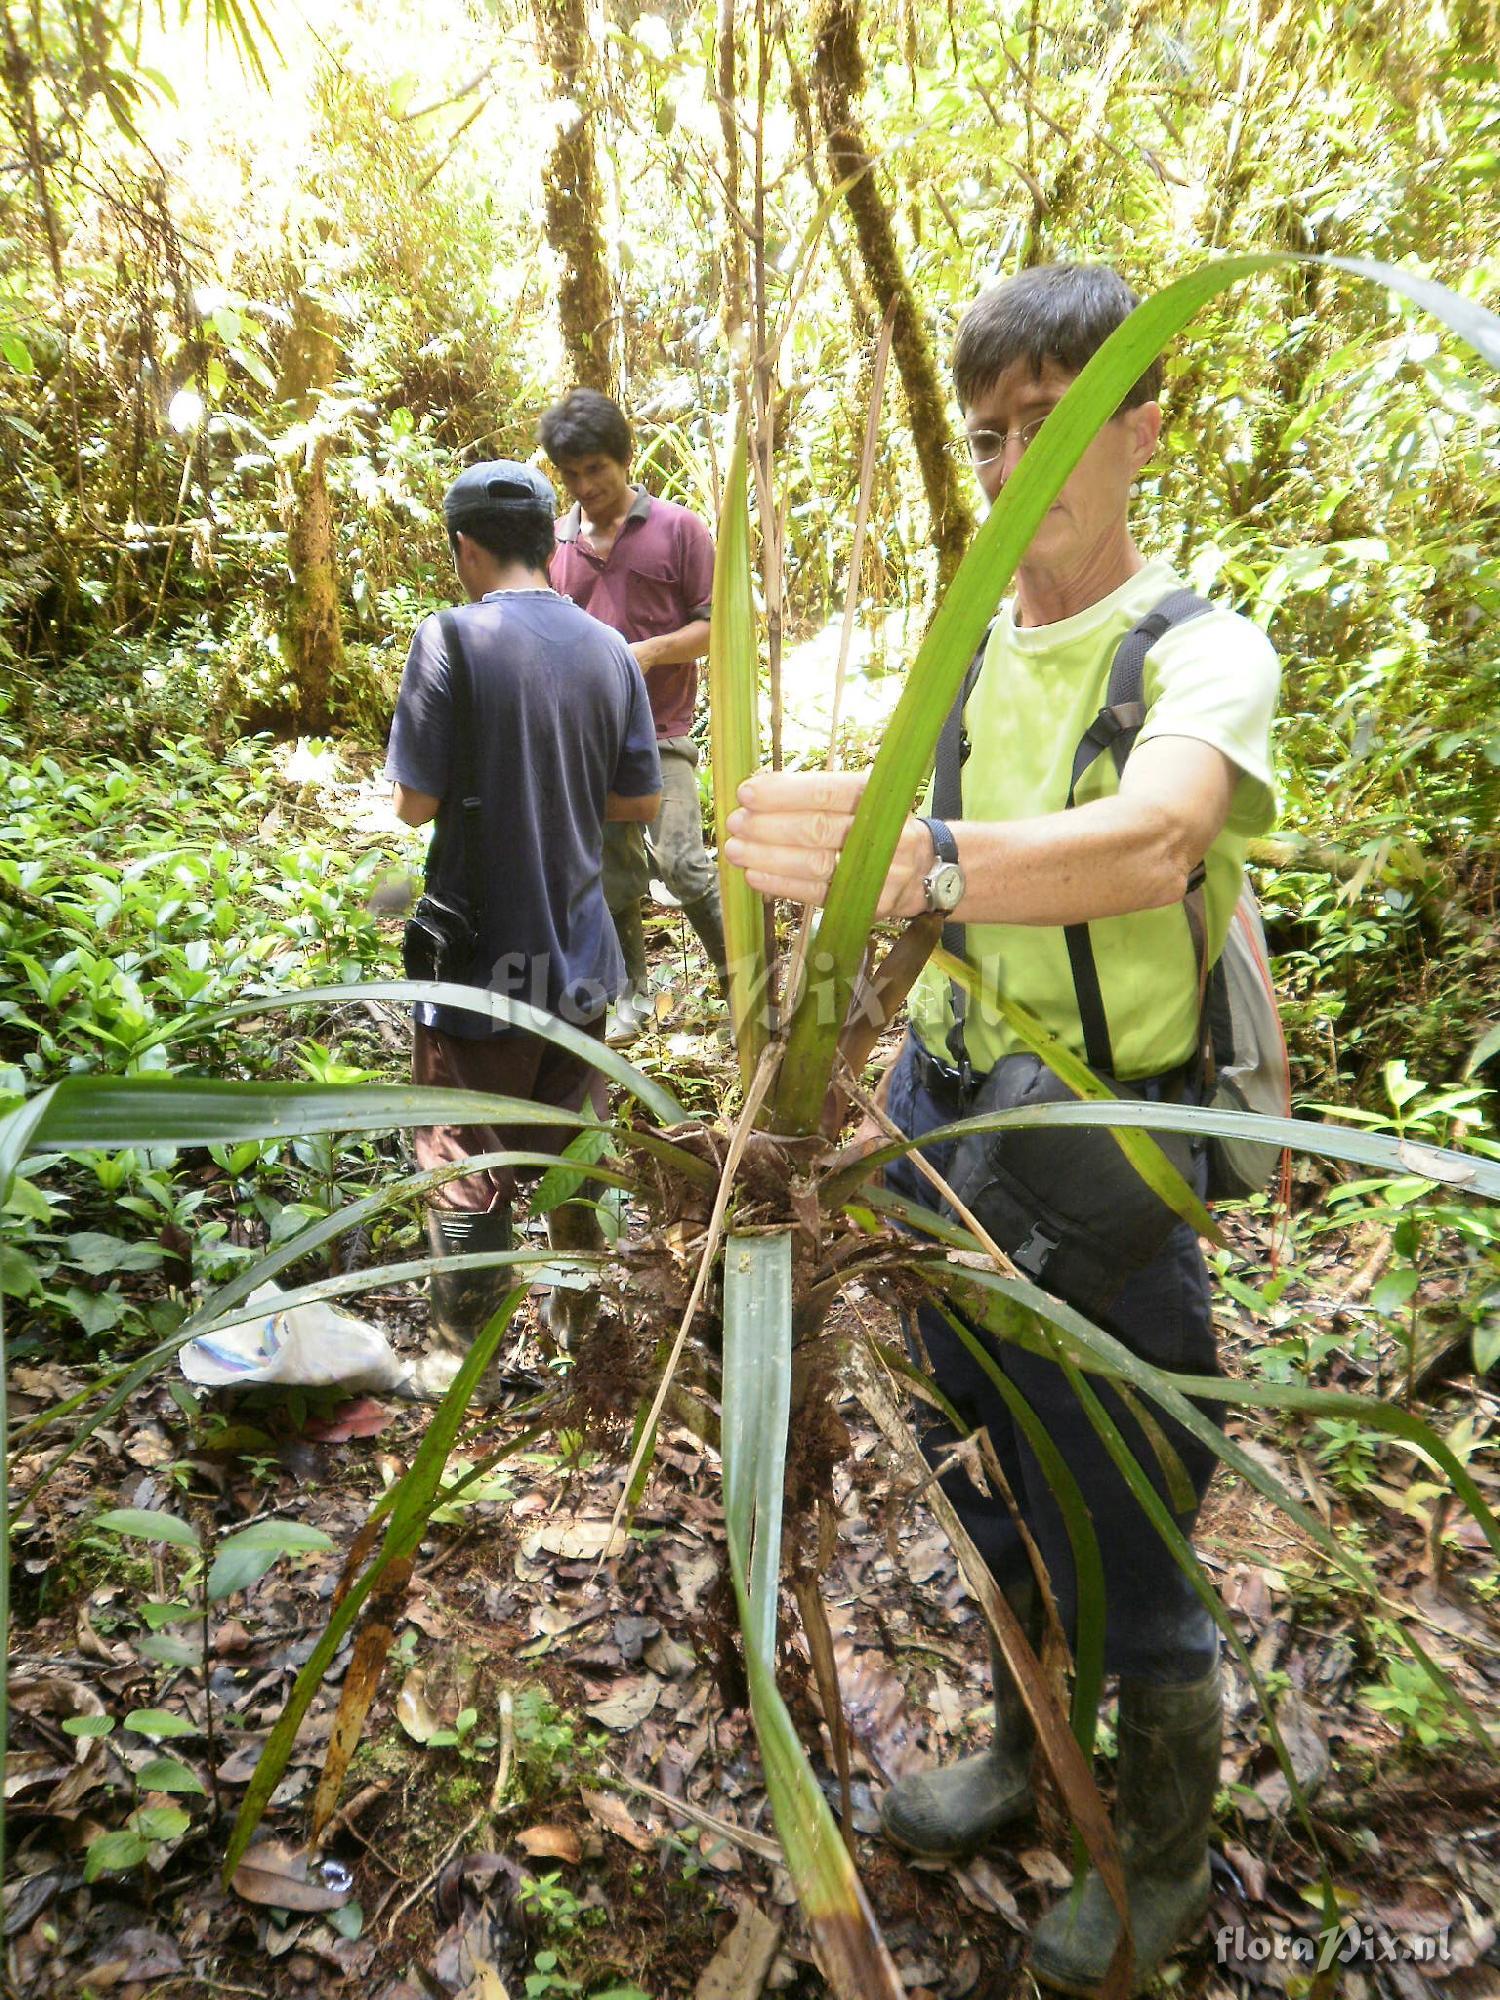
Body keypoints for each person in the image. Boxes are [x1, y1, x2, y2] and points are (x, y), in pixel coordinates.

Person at [725, 263, 1279, 1995]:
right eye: (991, 433)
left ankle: (1166, 1854)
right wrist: (756, 831)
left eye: (1054, 421)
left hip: (1104, 1154)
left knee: (1121, 1500)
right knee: (980, 1474)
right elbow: (885, 821)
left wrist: (922, 864)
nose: (1019, 460)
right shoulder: (973, 647)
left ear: (1141, 428)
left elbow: (1147, 842)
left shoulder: (1201, 647)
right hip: (943, 1118)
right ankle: (1022, 1752)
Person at [385, 460, 660, 1398]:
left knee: (463, 1160)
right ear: (551, 541)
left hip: (475, 969)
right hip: (580, 961)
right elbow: (638, 799)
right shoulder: (612, 649)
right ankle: (583, 1336)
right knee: (572, 1150)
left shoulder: (449, 639)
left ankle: (466, 1360)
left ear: (466, 547)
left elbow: (414, 804)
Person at [540, 388, 727, 1042]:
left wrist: (648, 654)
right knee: (612, 873)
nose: (586, 485)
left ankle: (744, 987)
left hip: (663, 732)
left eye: (597, 468)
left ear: (623, 459)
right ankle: (633, 999)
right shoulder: (556, 545)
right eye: (572, 474)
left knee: (682, 864)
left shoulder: (680, 530)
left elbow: (719, 628)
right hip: (590, 741)